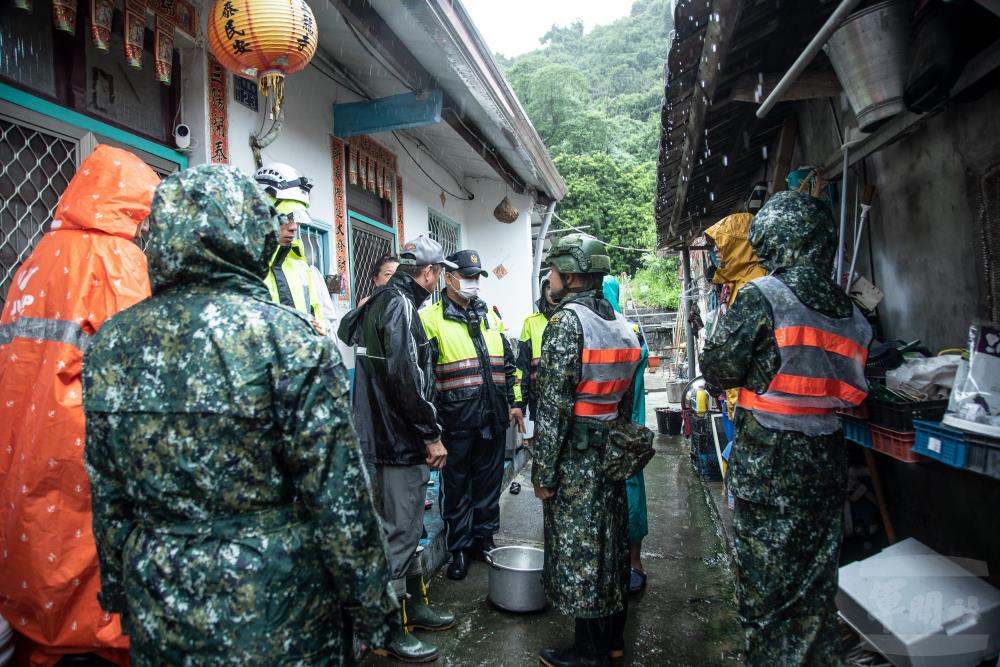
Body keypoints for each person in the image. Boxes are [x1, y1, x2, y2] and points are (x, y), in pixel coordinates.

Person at [82, 165, 398, 664]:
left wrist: (120, 590)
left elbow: (107, 490)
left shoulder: (111, 344)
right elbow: (338, 494)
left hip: (159, 599)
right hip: (276, 606)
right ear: (251, 234)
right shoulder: (285, 339)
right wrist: (373, 607)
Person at [0, 145, 160, 666]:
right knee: (89, 577)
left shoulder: (34, 260)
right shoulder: (117, 260)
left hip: (22, 441)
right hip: (83, 449)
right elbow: (138, 370)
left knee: (38, 559)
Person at [700, 191, 872, 665]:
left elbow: (719, 368)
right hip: (826, 465)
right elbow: (857, 387)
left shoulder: (765, 295)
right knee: (814, 591)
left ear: (776, 240)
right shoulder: (852, 311)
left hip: (769, 466)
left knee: (766, 594)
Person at [337, 235, 457, 663]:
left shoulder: (378, 302)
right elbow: (406, 379)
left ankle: (415, 607)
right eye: (439, 273)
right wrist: (430, 433)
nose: (439, 279)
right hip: (397, 441)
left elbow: (343, 330)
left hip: (379, 437)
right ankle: (387, 632)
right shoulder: (401, 306)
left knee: (406, 529)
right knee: (400, 534)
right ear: (428, 273)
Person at [532, 234, 642, 667]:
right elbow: (626, 396)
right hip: (610, 453)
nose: (551, 278)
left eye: (555, 271)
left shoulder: (567, 323)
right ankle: (613, 639)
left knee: (581, 552)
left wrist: (543, 474)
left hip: (577, 459)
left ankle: (589, 650)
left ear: (572, 276)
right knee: (611, 546)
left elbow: (555, 405)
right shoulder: (619, 324)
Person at [421, 250, 524, 581]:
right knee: (456, 490)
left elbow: (508, 365)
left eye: (477, 277)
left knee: (488, 485)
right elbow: (423, 380)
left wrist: (515, 402)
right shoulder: (429, 320)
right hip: (454, 423)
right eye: (468, 276)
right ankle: (460, 549)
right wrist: (430, 430)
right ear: (449, 277)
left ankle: (484, 540)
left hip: (492, 420)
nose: (474, 283)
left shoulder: (490, 315)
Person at [601, 275, 650, 596]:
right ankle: (635, 563)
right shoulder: (633, 329)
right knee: (631, 489)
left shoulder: (605, 331)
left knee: (614, 494)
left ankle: (626, 564)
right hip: (632, 425)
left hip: (609, 425)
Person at [704, 211, 767, 421]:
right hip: (743, 399)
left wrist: (715, 371)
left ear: (740, 246)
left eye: (722, 243)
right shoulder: (732, 283)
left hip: (759, 407)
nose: (716, 250)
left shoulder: (755, 285)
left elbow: (738, 347)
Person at [255, 163, 331, 324]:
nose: (293, 226)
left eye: (295, 218)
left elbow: (314, 314)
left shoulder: (300, 266)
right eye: (285, 217)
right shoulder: (244, 266)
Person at [516, 274, 558, 424]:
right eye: (547, 287)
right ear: (543, 291)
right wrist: (518, 403)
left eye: (554, 286)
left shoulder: (574, 318)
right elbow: (521, 368)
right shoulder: (531, 323)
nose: (551, 291)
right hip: (540, 401)